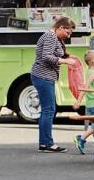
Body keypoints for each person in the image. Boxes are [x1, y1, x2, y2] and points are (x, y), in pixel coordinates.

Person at [31, 16, 76, 153]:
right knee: (49, 110)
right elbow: (46, 56)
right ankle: (47, 143)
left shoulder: (54, 37)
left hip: (43, 76)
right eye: (67, 32)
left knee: (48, 109)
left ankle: (44, 143)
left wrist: (68, 57)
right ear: (60, 27)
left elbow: (54, 53)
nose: (68, 36)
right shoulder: (50, 36)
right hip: (43, 76)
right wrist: (65, 61)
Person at [72, 50, 94, 154]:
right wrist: (78, 101)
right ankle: (81, 138)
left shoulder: (91, 72)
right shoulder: (93, 74)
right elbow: (85, 88)